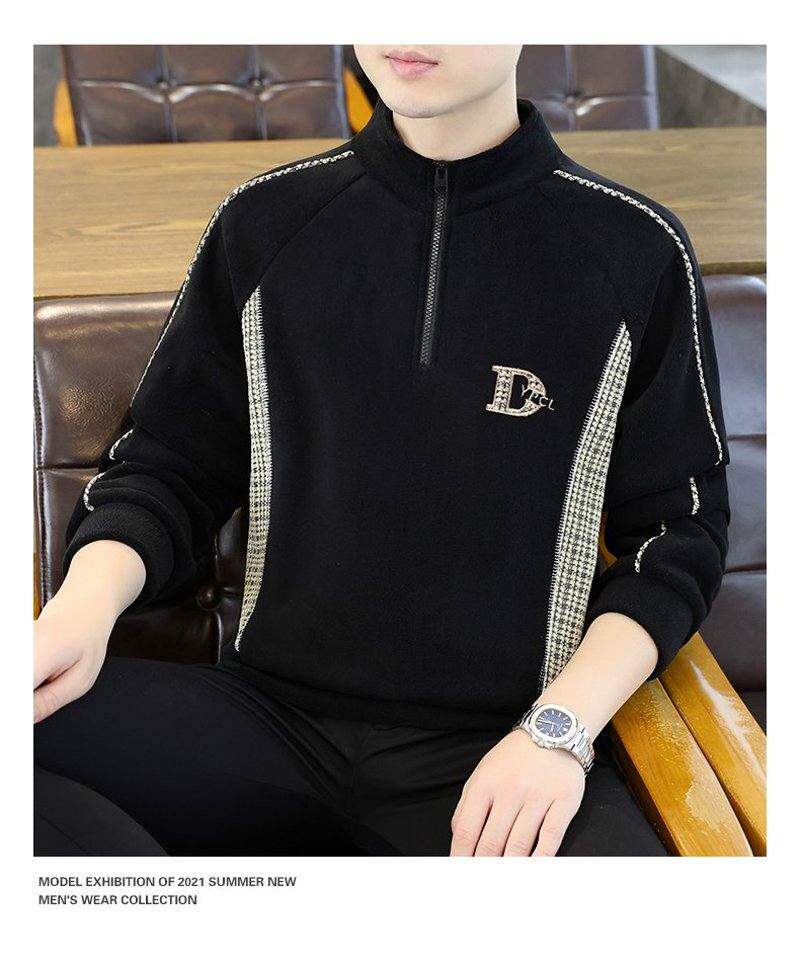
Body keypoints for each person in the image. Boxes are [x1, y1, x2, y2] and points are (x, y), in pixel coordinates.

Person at [33, 45, 729, 857]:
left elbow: (676, 538)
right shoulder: (265, 222)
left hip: (500, 749)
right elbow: (167, 466)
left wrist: (559, 729)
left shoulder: (635, 250)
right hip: (264, 725)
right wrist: (80, 610)